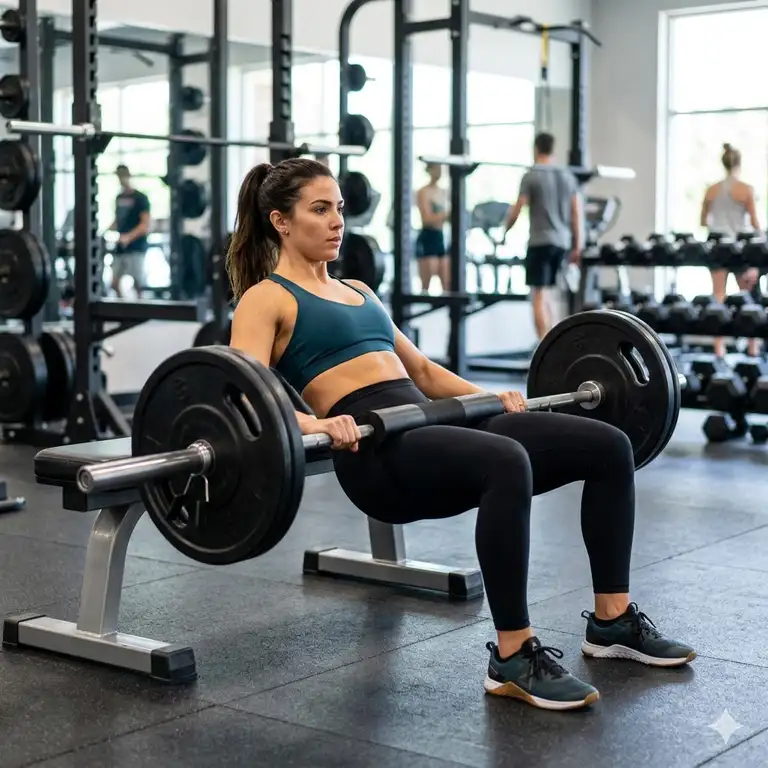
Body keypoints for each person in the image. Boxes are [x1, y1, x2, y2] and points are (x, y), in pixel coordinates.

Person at [227, 158, 696, 712]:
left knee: (609, 446)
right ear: (281, 221)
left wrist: (487, 397)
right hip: (376, 450)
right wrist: (317, 423)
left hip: (426, 420)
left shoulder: (359, 289)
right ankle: (512, 656)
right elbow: (246, 390)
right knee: (506, 460)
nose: (337, 223)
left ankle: (612, 621)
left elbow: (423, 373)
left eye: (341, 210)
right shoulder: (269, 297)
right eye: (320, 210)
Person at [501, 132, 582, 340]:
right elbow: (576, 214)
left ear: (536, 148)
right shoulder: (567, 176)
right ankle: (555, 344)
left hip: (540, 242)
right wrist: (577, 246)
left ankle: (543, 347)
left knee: (538, 294)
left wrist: (504, 232)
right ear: (552, 149)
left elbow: (518, 209)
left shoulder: (531, 175)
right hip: (562, 243)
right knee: (549, 295)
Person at [700, 143, 762, 358]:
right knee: (747, 296)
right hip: (738, 244)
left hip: (717, 243)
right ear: (739, 164)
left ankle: (720, 349)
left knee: (719, 295)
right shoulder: (745, 189)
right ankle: (753, 347)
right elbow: (754, 222)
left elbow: (702, 221)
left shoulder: (711, 189)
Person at [108, 164, 151, 298]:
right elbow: (118, 221)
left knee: (138, 283)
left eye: (122, 176)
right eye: (118, 176)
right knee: (114, 282)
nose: (120, 179)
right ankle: (122, 309)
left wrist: (128, 237)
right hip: (120, 246)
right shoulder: (119, 198)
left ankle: (141, 308)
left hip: (136, 246)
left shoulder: (141, 198)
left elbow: (144, 225)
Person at [415, 162, 450, 293]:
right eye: (437, 169)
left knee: (446, 282)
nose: (439, 172)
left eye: (441, 169)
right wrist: (446, 215)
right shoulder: (423, 192)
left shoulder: (443, 192)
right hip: (428, 236)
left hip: (440, 236)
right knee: (426, 285)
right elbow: (426, 219)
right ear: (429, 170)